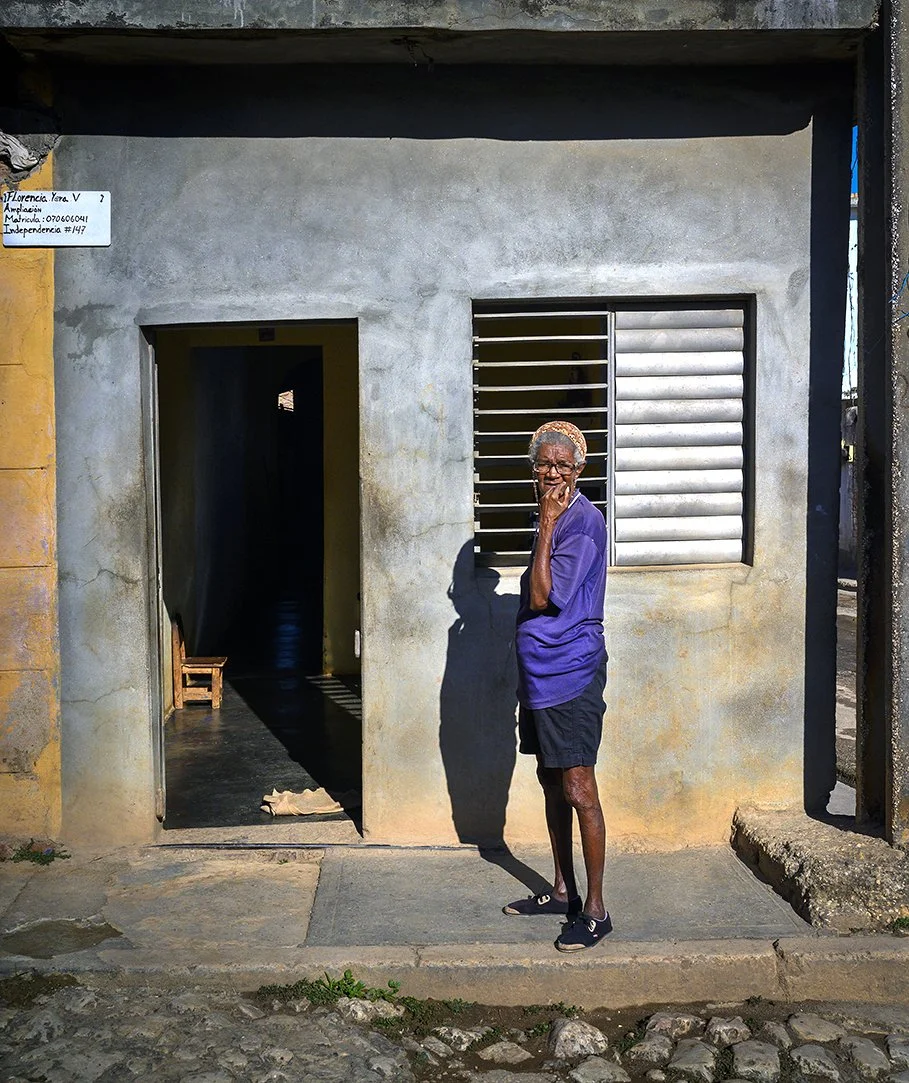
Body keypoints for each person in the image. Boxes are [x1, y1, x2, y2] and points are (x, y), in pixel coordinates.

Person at [503, 420, 611, 952]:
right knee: (550, 782)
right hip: (540, 677)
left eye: (561, 465)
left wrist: (547, 524)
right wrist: (544, 522)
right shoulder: (549, 516)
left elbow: (544, 598)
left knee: (578, 787)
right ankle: (563, 890)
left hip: (572, 674)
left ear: (578, 469)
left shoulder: (581, 523)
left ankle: (595, 909)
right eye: (542, 464)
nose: (550, 473)